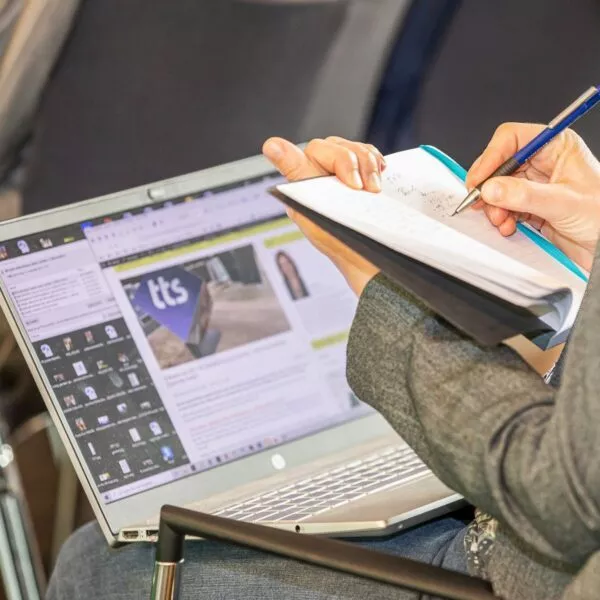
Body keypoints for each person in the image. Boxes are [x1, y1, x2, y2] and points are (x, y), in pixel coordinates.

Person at [47, 124, 600, 600]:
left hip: (524, 573)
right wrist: (577, 268)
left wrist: (386, 285)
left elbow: (559, 499)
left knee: (95, 565)